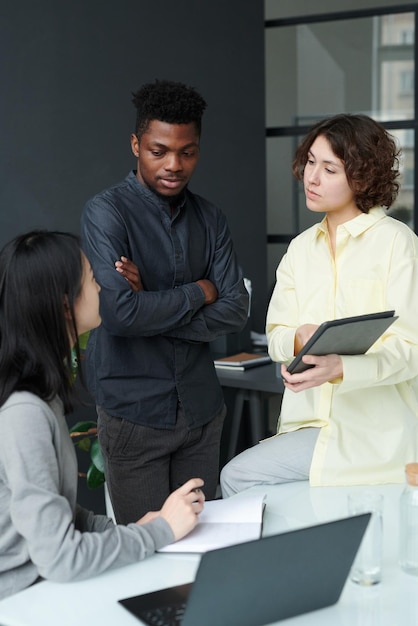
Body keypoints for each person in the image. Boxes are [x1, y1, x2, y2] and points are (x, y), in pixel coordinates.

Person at [0, 230, 205, 601]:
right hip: (23, 599)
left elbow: (54, 510)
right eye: (93, 280)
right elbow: (60, 558)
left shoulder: (38, 395)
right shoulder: (24, 413)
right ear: (66, 305)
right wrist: (161, 532)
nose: (103, 286)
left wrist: (130, 530)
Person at [221, 113, 418, 497]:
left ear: (362, 176)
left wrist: (343, 366)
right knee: (244, 480)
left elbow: (410, 350)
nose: (311, 178)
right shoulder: (299, 249)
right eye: (311, 162)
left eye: (329, 168)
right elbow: (276, 335)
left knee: (238, 477)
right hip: (307, 426)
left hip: (376, 432)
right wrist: (300, 339)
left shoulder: (397, 243)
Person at [81, 80, 249, 523]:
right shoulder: (106, 213)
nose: (174, 165)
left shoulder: (211, 218)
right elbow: (118, 314)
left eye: (187, 152)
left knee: (203, 543)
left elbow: (235, 308)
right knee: (147, 555)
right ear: (136, 144)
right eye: (159, 151)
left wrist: (149, 302)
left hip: (201, 413)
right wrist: (200, 291)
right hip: (134, 416)